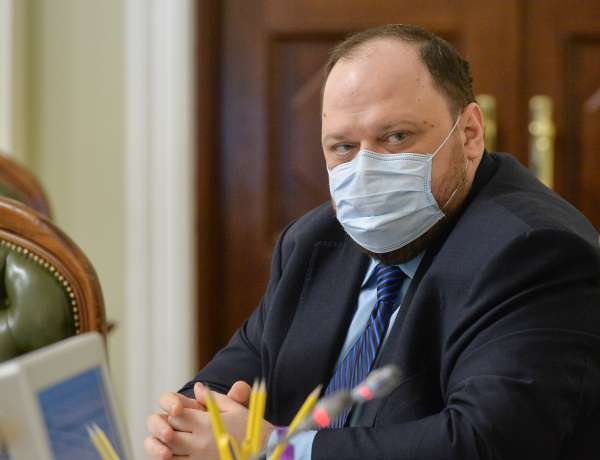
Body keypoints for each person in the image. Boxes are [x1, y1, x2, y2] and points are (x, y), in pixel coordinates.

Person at [145, 24, 600, 460]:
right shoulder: (311, 241)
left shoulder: (536, 250)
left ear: (470, 134)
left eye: (396, 137)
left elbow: (482, 444)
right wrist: (185, 427)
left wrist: (279, 450)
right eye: (343, 147)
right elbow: (224, 384)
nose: (366, 169)